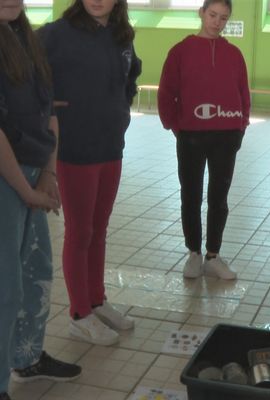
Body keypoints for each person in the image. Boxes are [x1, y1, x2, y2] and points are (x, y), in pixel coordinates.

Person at [38, 0, 142, 346]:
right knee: (79, 232)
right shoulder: (57, 34)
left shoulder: (121, 35)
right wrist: (42, 104)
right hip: (75, 150)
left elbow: (129, 79)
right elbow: (20, 68)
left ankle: (97, 301)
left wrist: (121, 111)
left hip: (111, 146)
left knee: (99, 230)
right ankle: (79, 315)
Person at [0, 2, 82, 398]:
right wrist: (26, 190)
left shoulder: (25, 37)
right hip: (8, 176)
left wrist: (48, 174)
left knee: (35, 273)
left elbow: (49, 110)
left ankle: (25, 357)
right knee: (5, 287)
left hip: (33, 169)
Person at [158, 0, 250, 280]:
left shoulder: (234, 54)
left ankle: (213, 255)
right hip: (191, 136)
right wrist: (175, 125)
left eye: (223, 18)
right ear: (201, 13)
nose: (217, 22)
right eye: (212, 15)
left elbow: (243, 94)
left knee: (218, 198)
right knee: (191, 195)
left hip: (226, 135)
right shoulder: (180, 51)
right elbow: (166, 92)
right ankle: (194, 254)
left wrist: (240, 126)